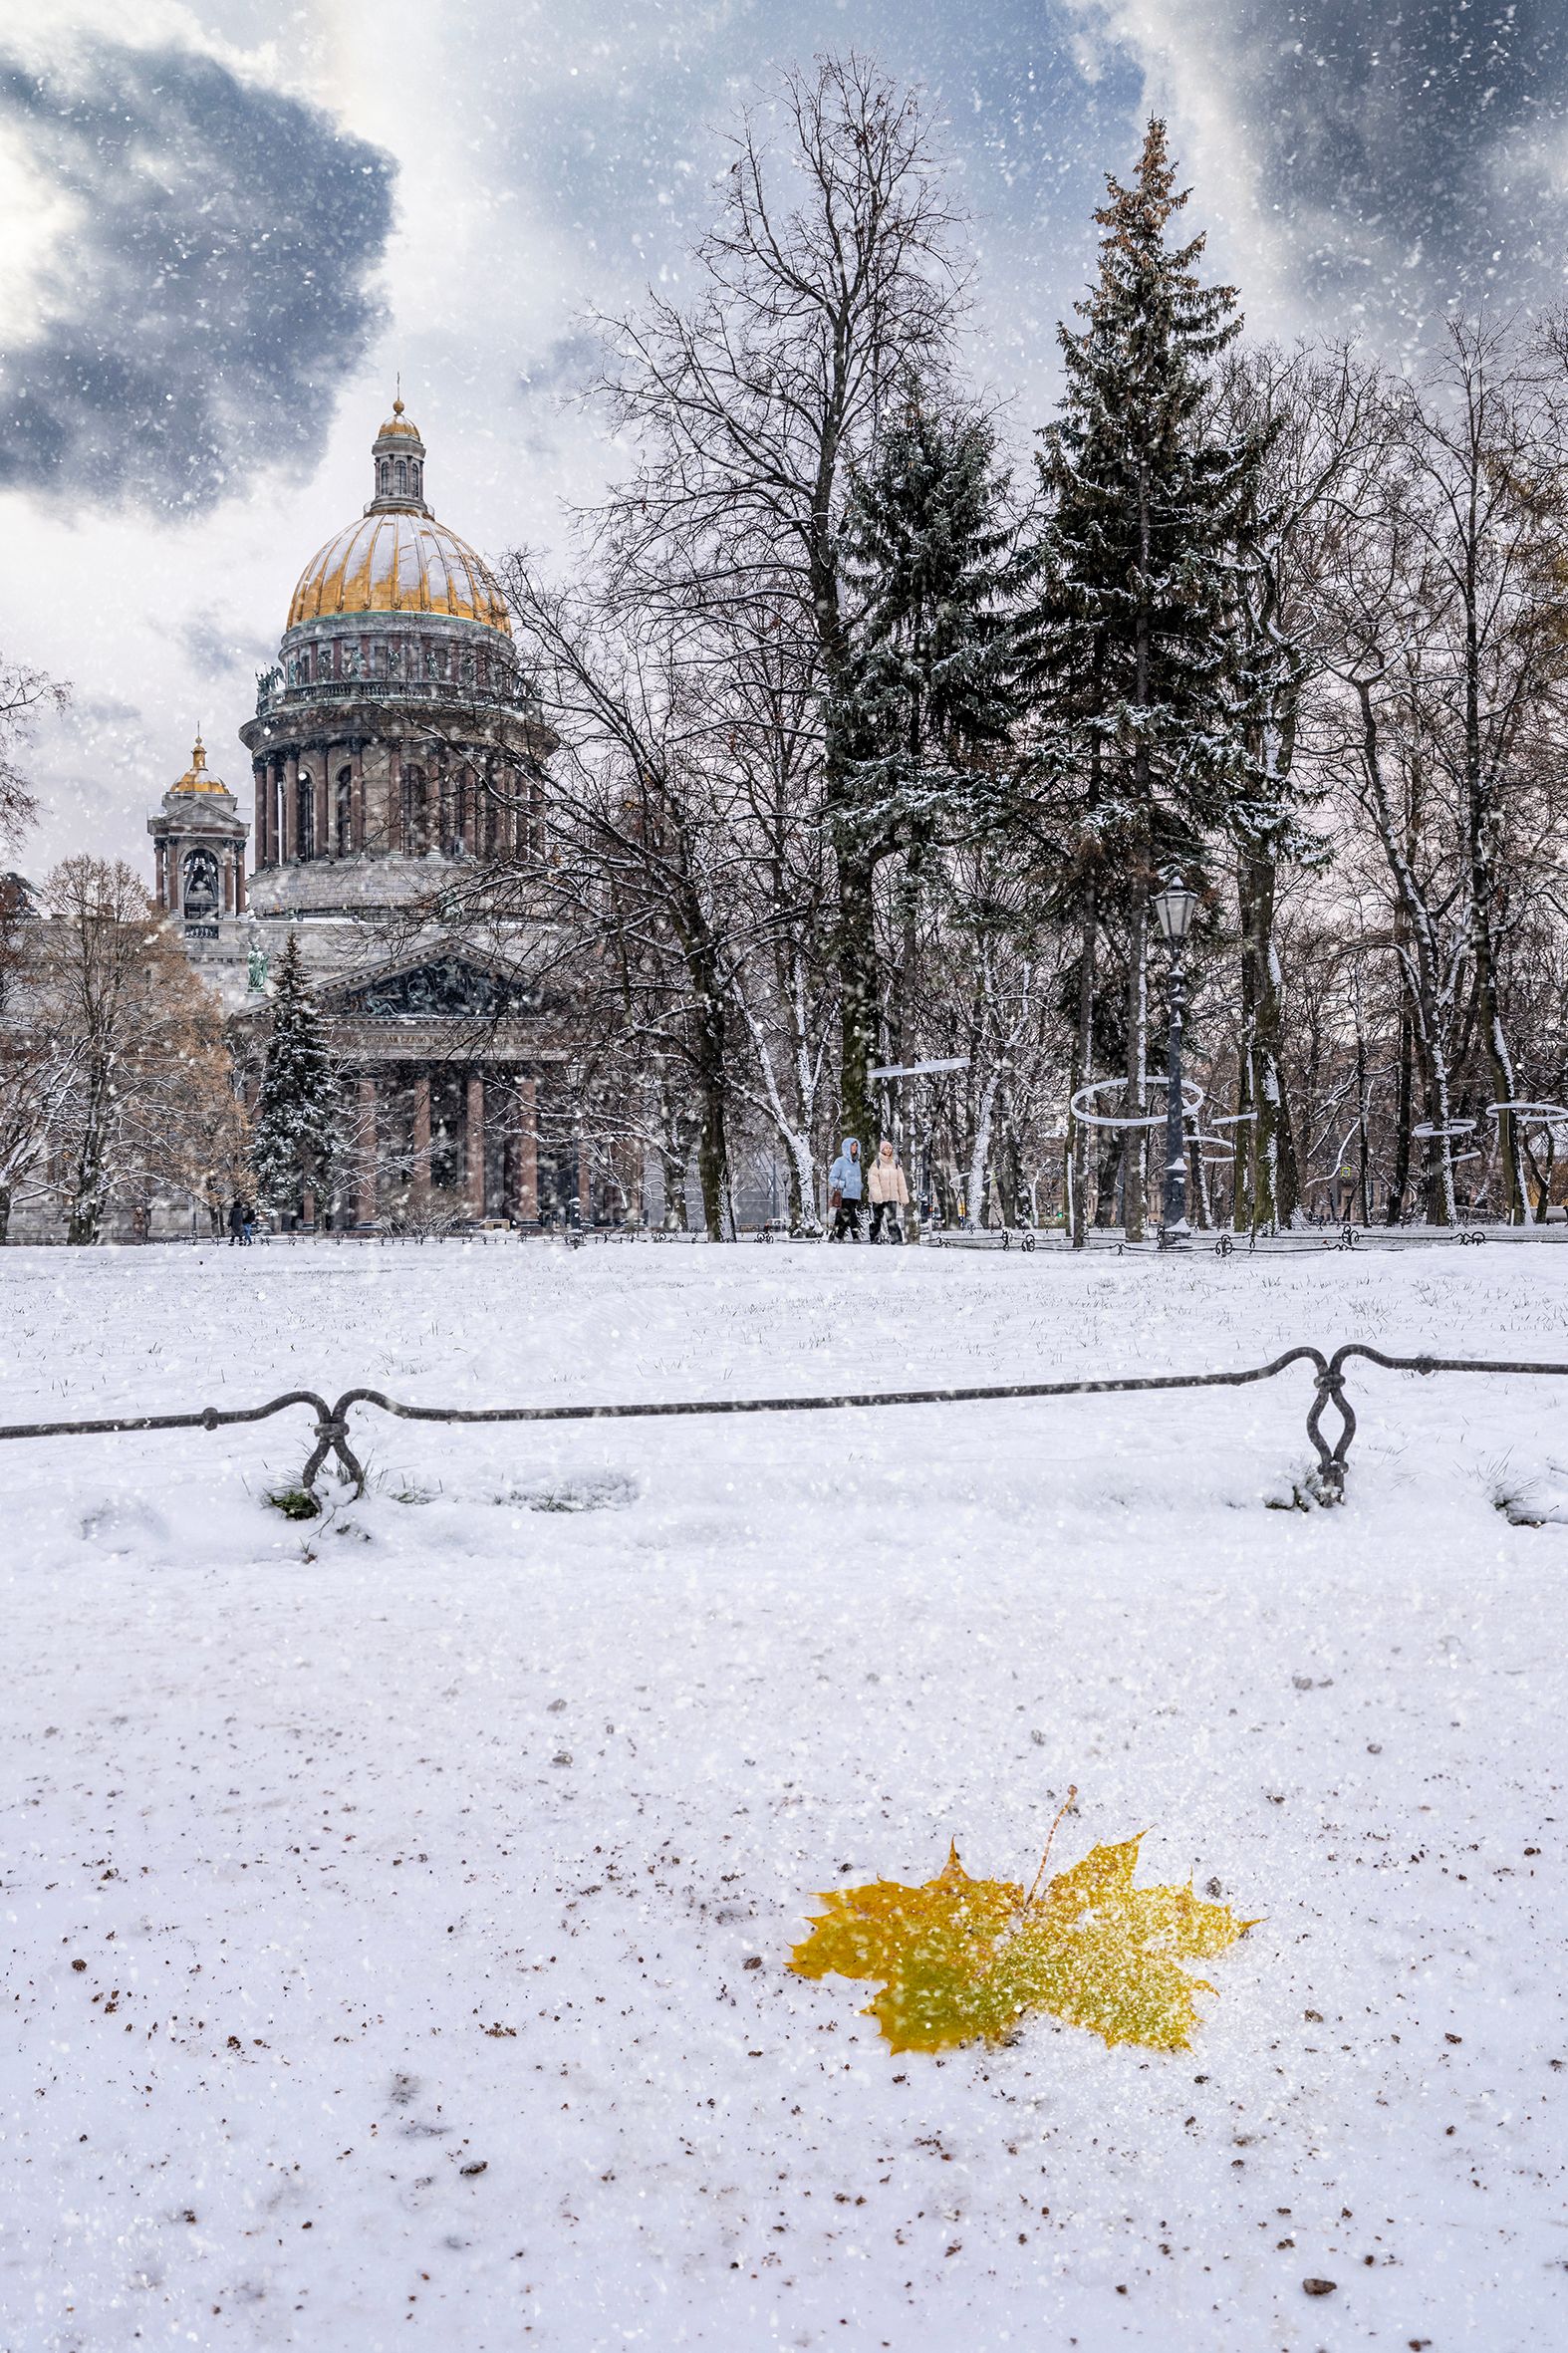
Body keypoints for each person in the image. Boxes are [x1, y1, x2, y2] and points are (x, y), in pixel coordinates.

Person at [867, 1139, 910, 1242]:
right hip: (879, 1198)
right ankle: (875, 1238)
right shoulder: (876, 1163)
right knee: (877, 1219)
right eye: (886, 1148)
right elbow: (873, 1181)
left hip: (892, 1197)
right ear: (882, 1150)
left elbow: (901, 1182)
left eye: (890, 1148)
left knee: (892, 1220)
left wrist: (903, 1198)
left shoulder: (895, 1164)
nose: (888, 1150)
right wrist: (878, 1197)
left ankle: (897, 1240)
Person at [827, 1137, 864, 1240]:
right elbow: (832, 1179)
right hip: (844, 1194)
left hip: (855, 1195)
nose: (855, 1147)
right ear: (847, 1147)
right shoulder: (840, 1161)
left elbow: (857, 1179)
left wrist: (859, 1186)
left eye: (856, 1145)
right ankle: (853, 1237)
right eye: (852, 1145)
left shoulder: (857, 1163)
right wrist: (845, 1184)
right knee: (850, 1215)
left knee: (843, 1217)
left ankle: (835, 1236)